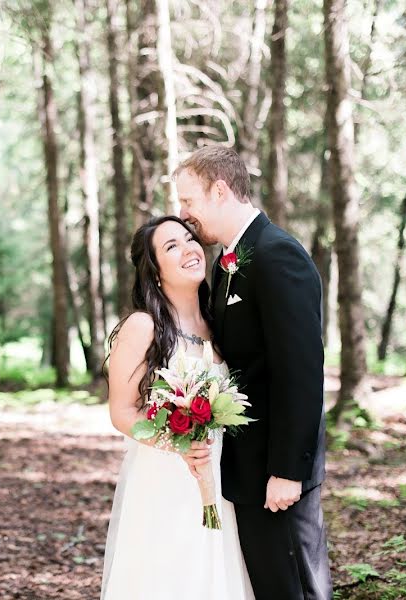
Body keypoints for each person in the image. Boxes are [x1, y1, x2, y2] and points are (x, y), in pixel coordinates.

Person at [176, 145, 332, 599]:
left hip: (276, 471)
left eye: (189, 201)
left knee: (295, 589)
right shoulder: (230, 261)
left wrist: (287, 470)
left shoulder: (276, 254)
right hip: (248, 467)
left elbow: (300, 371)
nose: (183, 213)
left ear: (219, 190)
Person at [101, 215, 253, 600]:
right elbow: (122, 412)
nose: (188, 249)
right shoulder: (143, 326)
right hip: (164, 479)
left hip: (217, 476)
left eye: (189, 239)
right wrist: (178, 445)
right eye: (172, 246)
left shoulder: (217, 321)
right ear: (154, 272)